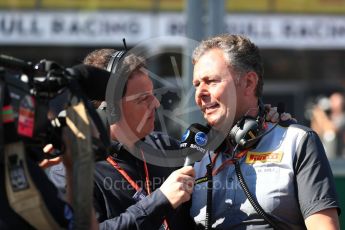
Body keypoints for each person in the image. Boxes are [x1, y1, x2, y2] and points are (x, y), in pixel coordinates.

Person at [189, 34, 340, 229]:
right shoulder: (193, 154)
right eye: (196, 84)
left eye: (211, 81)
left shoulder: (297, 141)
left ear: (249, 82)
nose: (200, 93)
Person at [311, 92, 345, 159]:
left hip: (338, 155)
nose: (331, 103)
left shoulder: (342, 117)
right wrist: (316, 117)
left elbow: (331, 129)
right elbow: (316, 131)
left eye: (334, 101)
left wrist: (321, 115)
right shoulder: (328, 117)